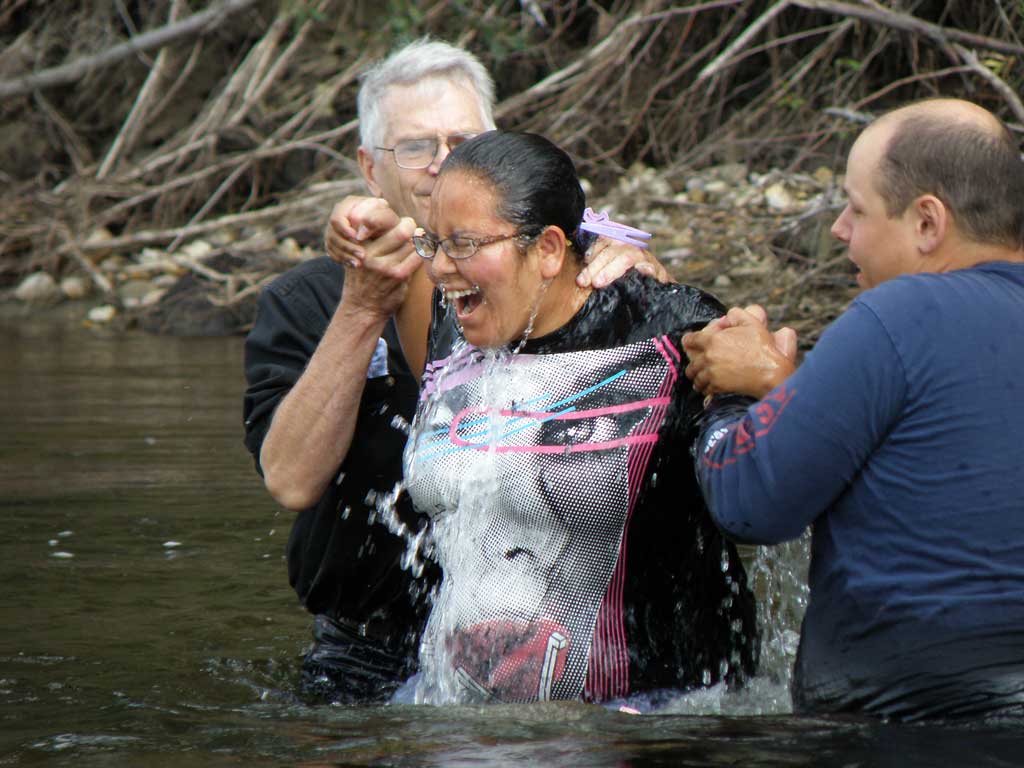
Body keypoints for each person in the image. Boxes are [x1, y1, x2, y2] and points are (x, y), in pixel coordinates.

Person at [242, 38, 664, 703]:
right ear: (368, 169)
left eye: (462, 141)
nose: (443, 165)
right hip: (371, 648)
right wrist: (361, 309)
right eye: (416, 146)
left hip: (544, 636)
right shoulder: (305, 301)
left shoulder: (560, 270)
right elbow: (291, 480)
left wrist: (631, 271)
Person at [682, 97, 1024, 720]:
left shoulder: (899, 316)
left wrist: (729, 392)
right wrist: (790, 388)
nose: (839, 229)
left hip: (907, 725)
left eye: (856, 208)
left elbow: (749, 501)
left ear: (927, 223)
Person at [402, 130, 758, 706]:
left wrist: (773, 382)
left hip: (656, 717)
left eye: (464, 244)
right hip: (461, 717)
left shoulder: (668, 330)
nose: (441, 268)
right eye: (434, 243)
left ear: (547, 249)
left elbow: (773, 484)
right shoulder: (459, 323)